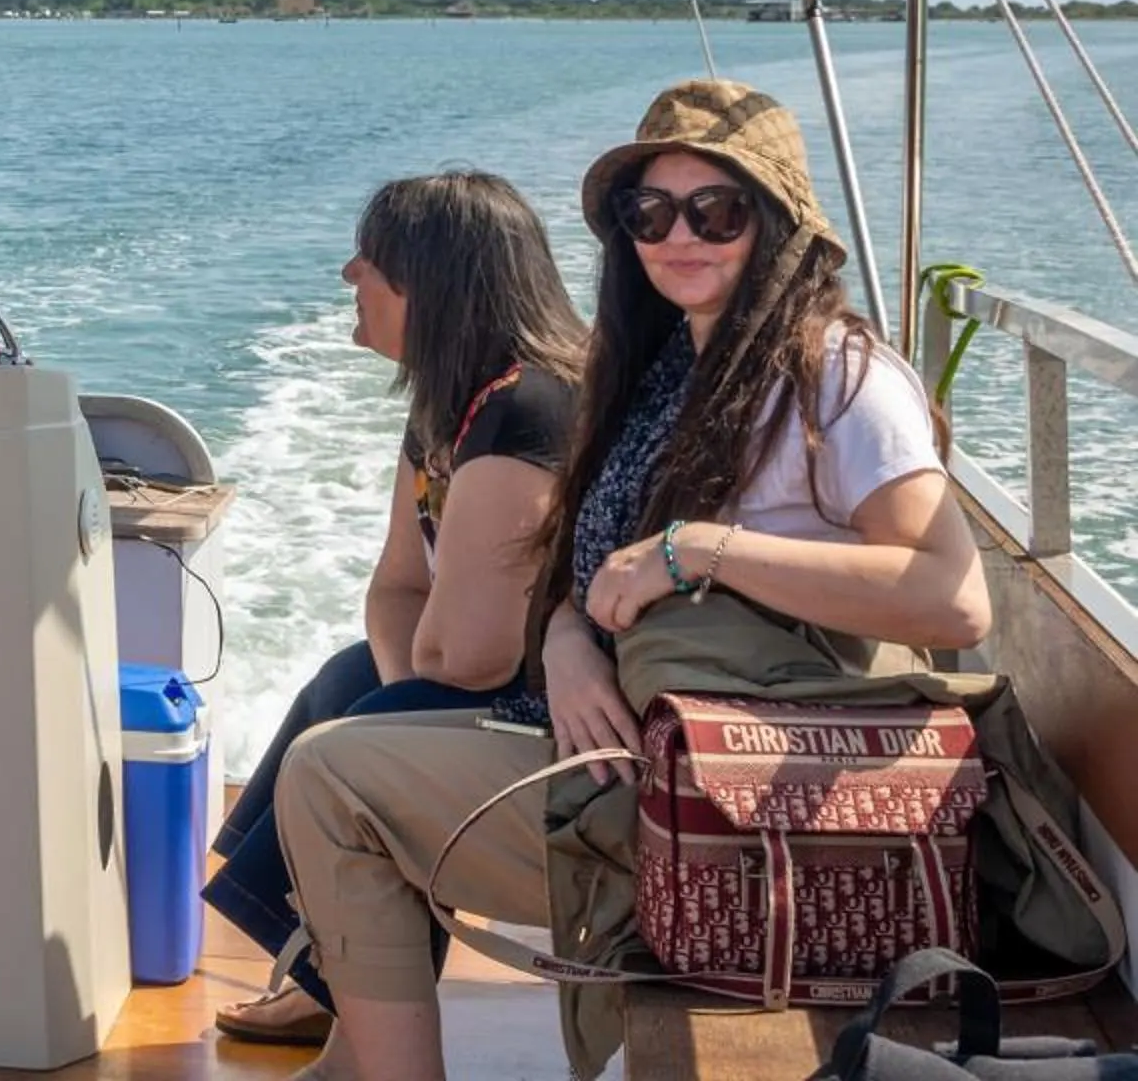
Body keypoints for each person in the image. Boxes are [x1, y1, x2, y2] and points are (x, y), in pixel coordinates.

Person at [271, 80, 991, 1081]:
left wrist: (698, 550)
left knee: (332, 774)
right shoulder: (656, 374)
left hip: (752, 793)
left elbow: (951, 594)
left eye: (718, 209)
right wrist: (568, 641)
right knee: (343, 733)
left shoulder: (836, 374)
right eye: (649, 211)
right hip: (644, 750)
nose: (679, 233)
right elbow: (588, 577)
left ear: (776, 221)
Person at [205, 171, 584, 1048]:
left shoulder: (529, 411)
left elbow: (473, 660)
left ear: (428, 286)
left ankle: (332, 981)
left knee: (349, 742)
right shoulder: (449, 411)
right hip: (493, 687)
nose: (348, 276)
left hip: (560, 721)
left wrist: (399, 712)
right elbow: (398, 587)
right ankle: (330, 974)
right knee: (345, 681)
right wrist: (397, 695)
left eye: (369, 262)